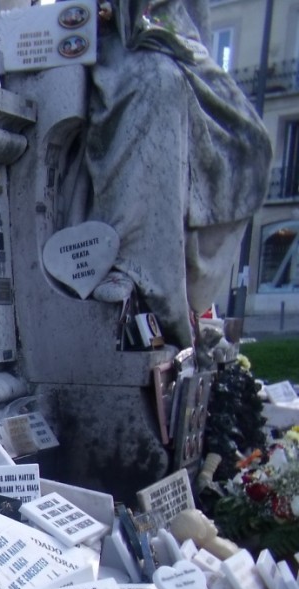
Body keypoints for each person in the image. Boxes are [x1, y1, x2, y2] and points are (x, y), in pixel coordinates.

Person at [84, 0, 272, 348]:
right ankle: (129, 262)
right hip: (108, 40)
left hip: (167, 33)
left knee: (251, 141)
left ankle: (184, 280)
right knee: (159, 84)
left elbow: (193, 18)